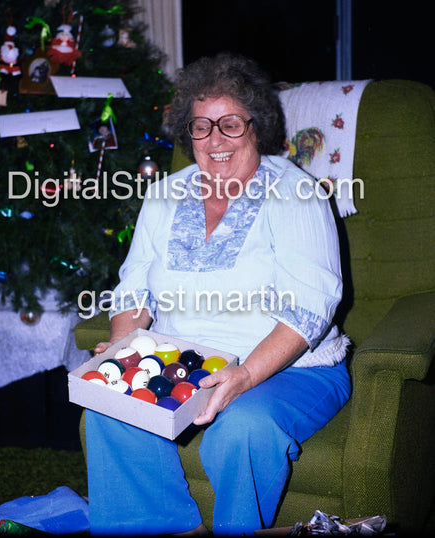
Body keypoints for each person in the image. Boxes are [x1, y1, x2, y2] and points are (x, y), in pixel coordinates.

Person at [85, 52, 351, 535]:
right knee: (110, 407)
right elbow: (134, 286)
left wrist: (245, 375)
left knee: (241, 430)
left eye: (230, 124)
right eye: (200, 126)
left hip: (289, 369)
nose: (214, 140)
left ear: (257, 127)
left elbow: (311, 306)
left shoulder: (297, 194)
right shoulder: (165, 195)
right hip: (186, 361)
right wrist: (124, 348)